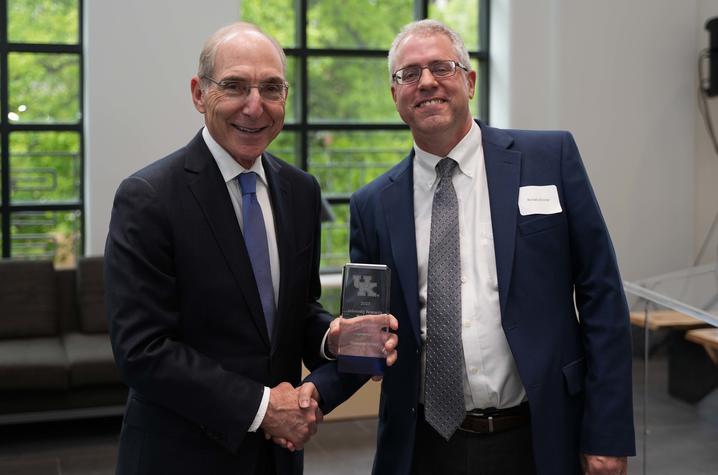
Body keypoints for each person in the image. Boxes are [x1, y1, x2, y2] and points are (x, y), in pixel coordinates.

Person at [105, 22, 395, 475]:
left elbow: (295, 311)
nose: (255, 106)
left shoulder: (300, 191)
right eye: (235, 86)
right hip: (181, 457)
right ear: (199, 94)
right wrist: (263, 408)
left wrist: (331, 338)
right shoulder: (149, 196)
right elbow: (143, 350)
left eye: (271, 88)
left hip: (276, 460)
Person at [349, 19, 635, 475]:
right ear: (394, 94)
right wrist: (309, 391)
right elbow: (363, 332)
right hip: (423, 447)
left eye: (441, 67)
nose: (426, 82)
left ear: (469, 80)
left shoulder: (550, 160)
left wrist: (607, 432)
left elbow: (602, 296)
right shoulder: (372, 205)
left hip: (540, 437)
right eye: (408, 74)